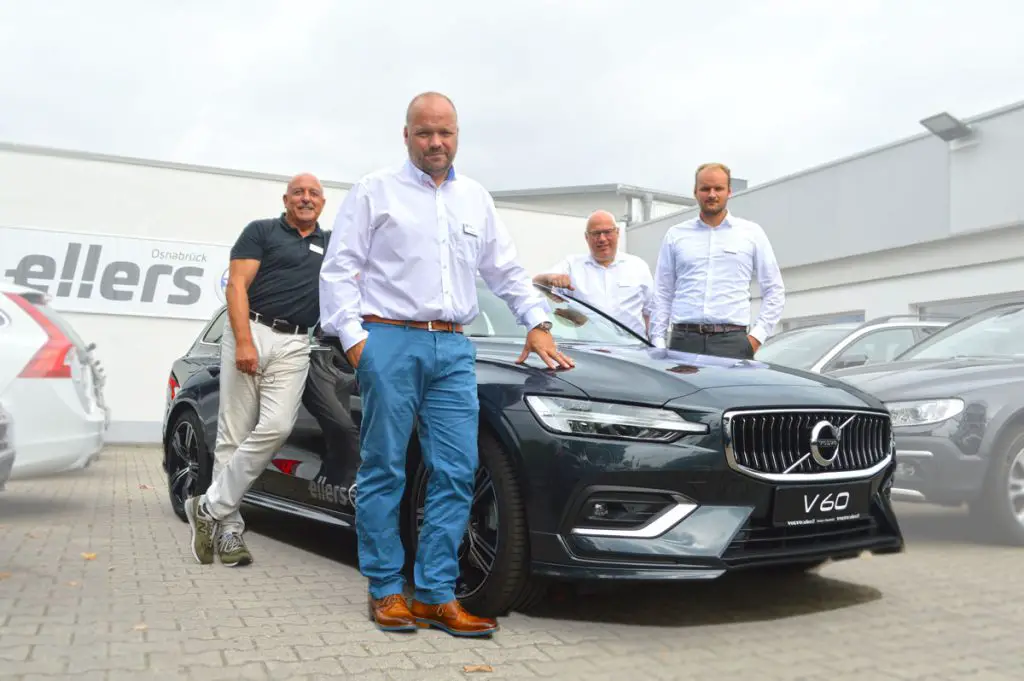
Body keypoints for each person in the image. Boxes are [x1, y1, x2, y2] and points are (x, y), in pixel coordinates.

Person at [319, 91, 573, 637]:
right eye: (425, 132)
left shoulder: (475, 198)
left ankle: (436, 594)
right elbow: (339, 269)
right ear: (406, 135)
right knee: (385, 467)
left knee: (457, 471)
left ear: (457, 135)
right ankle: (386, 588)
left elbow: (505, 270)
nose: (436, 142)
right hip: (389, 340)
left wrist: (537, 321)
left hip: (455, 348)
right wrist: (357, 341)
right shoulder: (374, 190)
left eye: (445, 132)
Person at [184, 173, 328, 567]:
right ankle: (230, 531)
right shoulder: (261, 231)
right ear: (285, 200)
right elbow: (236, 286)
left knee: (277, 427)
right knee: (233, 434)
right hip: (251, 330)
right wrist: (244, 340)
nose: (306, 198)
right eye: (298, 192)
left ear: (322, 203)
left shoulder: (331, 244)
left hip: (295, 342)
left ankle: (208, 506)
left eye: (313, 193)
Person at [649, 162, 785, 359]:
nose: (712, 194)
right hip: (683, 342)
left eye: (718, 188)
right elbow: (662, 291)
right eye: (705, 189)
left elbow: (774, 290)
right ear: (695, 192)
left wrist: (756, 338)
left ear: (729, 191)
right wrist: (658, 341)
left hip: (732, 343)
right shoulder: (675, 235)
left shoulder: (751, 233)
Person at [532, 209, 653, 338]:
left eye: (607, 232)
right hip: (591, 347)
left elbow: (651, 312)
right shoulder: (572, 266)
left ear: (617, 232)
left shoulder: (638, 266)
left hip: (633, 346)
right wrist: (551, 278)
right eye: (596, 233)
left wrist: (654, 344)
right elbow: (536, 283)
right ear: (586, 237)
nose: (602, 239)